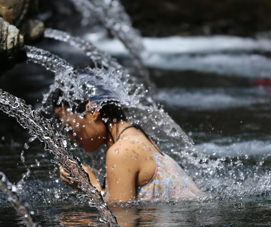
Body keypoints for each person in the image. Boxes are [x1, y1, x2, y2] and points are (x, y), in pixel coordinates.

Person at [52, 78, 204, 203]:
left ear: (92, 112)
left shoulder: (122, 151)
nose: (71, 136)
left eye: (70, 127)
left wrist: (91, 186)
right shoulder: (135, 135)